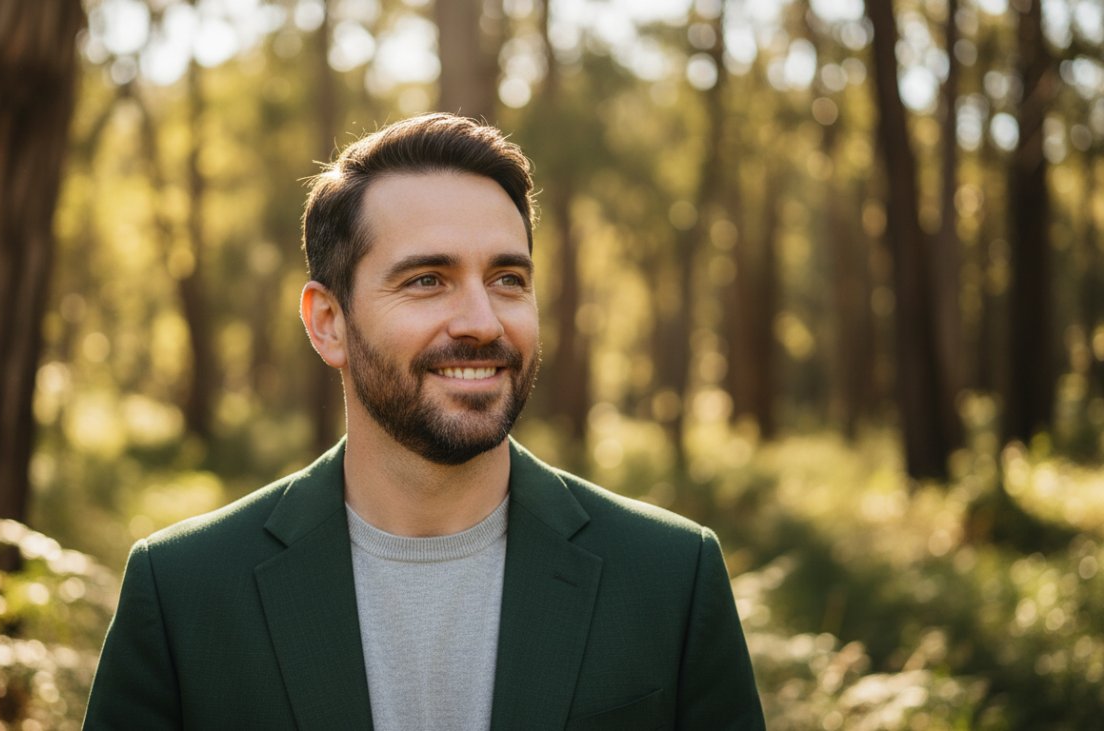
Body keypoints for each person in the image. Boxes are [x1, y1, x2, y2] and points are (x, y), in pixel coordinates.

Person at [84, 113, 765, 730]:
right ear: (329, 323)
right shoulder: (183, 593)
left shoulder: (671, 577)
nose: (481, 320)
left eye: (507, 279)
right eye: (427, 280)